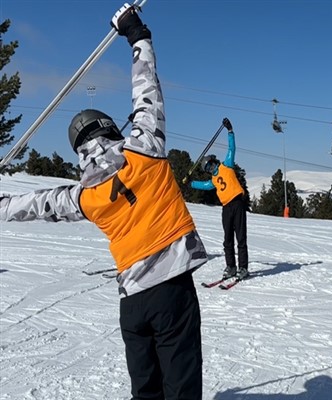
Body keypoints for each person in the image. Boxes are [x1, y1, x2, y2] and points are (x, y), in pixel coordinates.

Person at [0, 4, 205, 399]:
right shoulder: (144, 148)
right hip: (170, 290)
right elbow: (147, 90)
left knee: (146, 390)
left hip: (133, 304)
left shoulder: (84, 196)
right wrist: (136, 34)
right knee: (181, 386)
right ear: (112, 129)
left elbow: (37, 204)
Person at [190, 117, 249, 281]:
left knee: (241, 238)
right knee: (227, 239)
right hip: (226, 208)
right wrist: (191, 183)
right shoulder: (213, 180)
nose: (212, 168)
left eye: (211, 164)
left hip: (237, 203)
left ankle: (243, 267)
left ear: (215, 161)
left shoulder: (226, 165)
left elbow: (232, 148)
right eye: (208, 168)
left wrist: (230, 131)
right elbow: (205, 186)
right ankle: (231, 266)